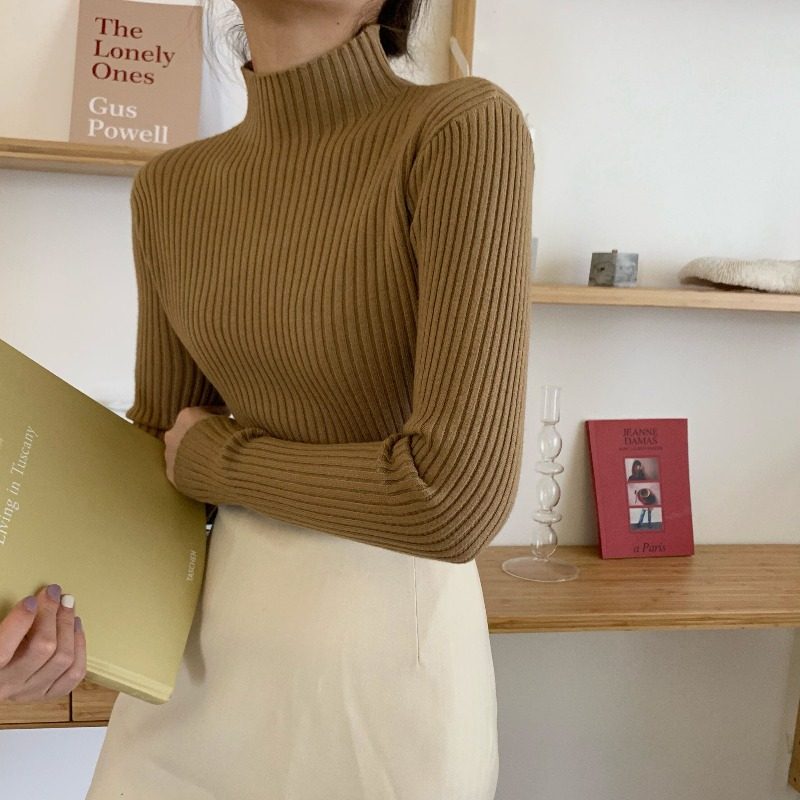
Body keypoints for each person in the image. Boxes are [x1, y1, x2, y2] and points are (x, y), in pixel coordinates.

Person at [2, 1, 534, 797]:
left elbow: (453, 499)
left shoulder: (460, 129)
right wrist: (46, 613)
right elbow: (158, 468)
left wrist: (217, 460)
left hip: (380, 689)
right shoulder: (171, 188)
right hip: (192, 677)